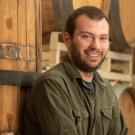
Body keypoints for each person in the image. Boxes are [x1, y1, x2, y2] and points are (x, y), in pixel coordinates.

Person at [24, 6, 128, 135]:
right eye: (87, 36)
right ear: (67, 40)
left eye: (103, 38)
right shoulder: (52, 85)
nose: (96, 45)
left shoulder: (106, 89)